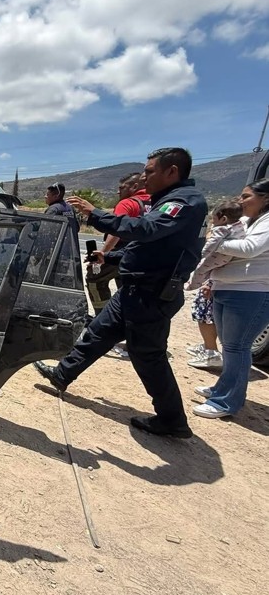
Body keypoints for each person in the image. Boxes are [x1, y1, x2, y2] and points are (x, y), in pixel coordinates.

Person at [34, 147, 207, 439]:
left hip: (152, 295)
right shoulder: (169, 200)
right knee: (99, 332)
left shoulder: (185, 203)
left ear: (172, 171)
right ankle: (62, 374)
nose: (144, 178)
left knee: (148, 356)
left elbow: (146, 230)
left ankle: (172, 420)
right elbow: (149, 247)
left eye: (150, 171)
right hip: (136, 289)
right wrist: (110, 258)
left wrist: (95, 213)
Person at [192, 179, 269, 419]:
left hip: (251, 292)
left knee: (238, 347)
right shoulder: (246, 221)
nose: (241, 200)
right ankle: (222, 389)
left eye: (247, 196)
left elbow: (249, 249)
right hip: (226, 288)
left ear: (265, 198)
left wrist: (215, 243)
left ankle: (227, 402)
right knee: (230, 345)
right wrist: (211, 282)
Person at [184, 200, 245, 369]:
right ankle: (207, 346)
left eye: (214, 219)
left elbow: (209, 247)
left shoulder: (221, 231)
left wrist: (198, 252)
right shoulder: (240, 228)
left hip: (215, 277)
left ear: (223, 218)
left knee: (204, 313)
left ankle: (211, 352)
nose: (213, 222)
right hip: (221, 274)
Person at [86, 172, 151, 315]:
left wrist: (101, 256)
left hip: (120, 254)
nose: (118, 191)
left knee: (94, 277)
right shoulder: (156, 203)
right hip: (143, 257)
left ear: (134, 186)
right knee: (127, 286)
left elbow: (115, 232)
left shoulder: (127, 203)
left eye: (122, 188)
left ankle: (103, 314)